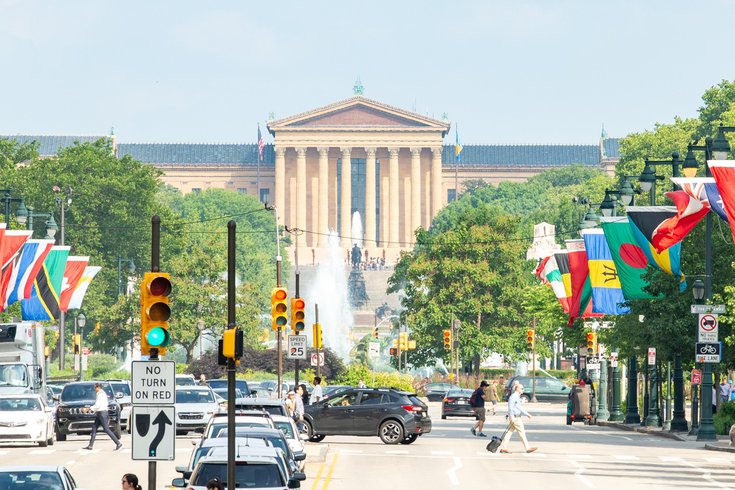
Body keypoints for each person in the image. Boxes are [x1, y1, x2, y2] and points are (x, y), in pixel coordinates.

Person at [498, 383, 537, 454]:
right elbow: (510, 407)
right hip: (515, 417)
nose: (523, 390)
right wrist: (511, 417)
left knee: (509, 433)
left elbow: (519, 407)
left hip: (516, 417)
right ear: (517, 389)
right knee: (522, 432)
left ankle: (503, 448)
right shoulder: (513, 396)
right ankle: (527, 448)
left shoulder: (517, 396)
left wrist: (527, 414)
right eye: (521, 388)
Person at [83, 383, 123, 451]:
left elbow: (98, 405)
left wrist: (89, 409)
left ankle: (118, 443)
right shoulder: (100, 393)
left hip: (102, 413)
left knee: (106, 429)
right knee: (94, 428)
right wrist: (96, 411)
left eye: (95, 387)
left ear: (98, 387)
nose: (94, 389)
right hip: (100, 413)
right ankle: (90, 445)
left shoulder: (101, 394)